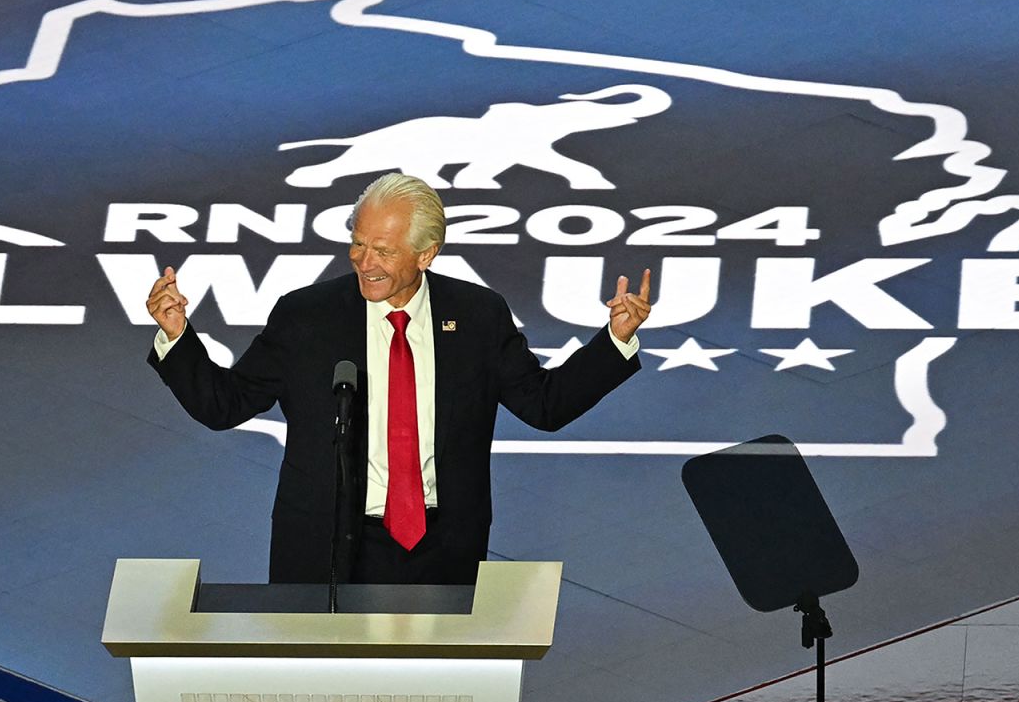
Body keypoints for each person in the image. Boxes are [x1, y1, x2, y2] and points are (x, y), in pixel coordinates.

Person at [146, 173, 651, 585]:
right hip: (326, 552)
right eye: (358, 245)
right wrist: (177, 336)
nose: (366, 263)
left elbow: (546, 406)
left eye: (384, 251)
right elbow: (224, 405)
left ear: (426, 254)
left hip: (443, 549)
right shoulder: (307, 317)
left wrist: (615, 340)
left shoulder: (478, 316)